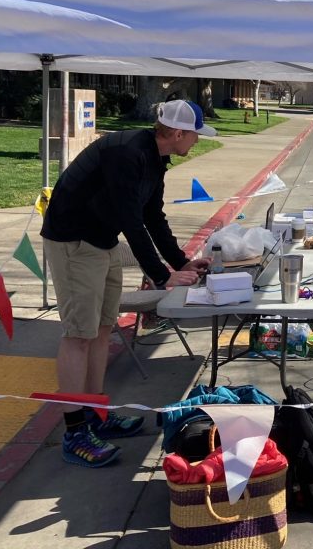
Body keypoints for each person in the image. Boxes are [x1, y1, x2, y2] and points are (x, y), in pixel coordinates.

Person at [41, 99, 216, 467]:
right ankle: (75, 432)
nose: (197, 142)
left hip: (101, 241)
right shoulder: (127, 153)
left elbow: (153, 215)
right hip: (73, 242)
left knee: (103, 329)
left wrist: (182, 262)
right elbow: (130, 219)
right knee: (79, 336)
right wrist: (163, 276)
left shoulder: (155, 158)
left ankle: (97, 415)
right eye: (196, 135)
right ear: (179, 132)